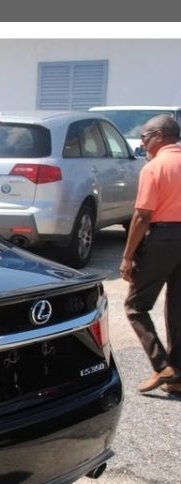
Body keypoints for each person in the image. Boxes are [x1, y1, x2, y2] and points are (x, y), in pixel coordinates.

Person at [120, 114, 181, 394]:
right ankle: (178, 376)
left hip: (163, 237)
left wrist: (127, 256)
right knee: (177, 307)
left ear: (159, 136)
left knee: (136, 306)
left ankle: (162, 366)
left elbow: (142, 216)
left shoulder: (155, 167)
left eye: (144, 137)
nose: (142, 143)